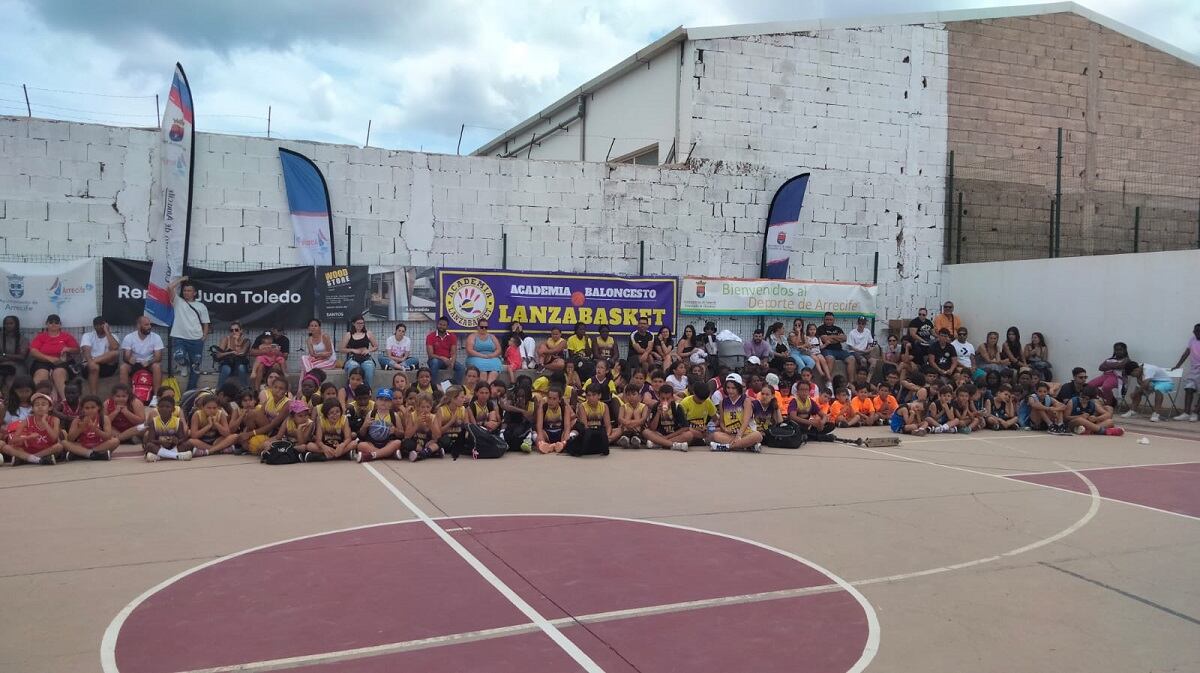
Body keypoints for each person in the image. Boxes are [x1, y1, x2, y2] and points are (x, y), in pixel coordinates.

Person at [167, 277, 210, 391]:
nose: (186, 292)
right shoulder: (178, 301)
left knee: (195, 367)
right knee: (178, 356)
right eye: (185, 290)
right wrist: (181, 280)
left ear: (194, 293)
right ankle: (183, 365)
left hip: (196, 339)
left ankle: (190, 392)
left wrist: (204, 336)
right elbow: (170, 287)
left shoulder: (201, 306)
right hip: (179, 337)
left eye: (189, 290)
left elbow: (206, 323)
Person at [29, 314, 80, 400]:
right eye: (51, 322)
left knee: (58, 373)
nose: (53, 324)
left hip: (62, 362)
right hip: (42, 362)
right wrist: (50, 358)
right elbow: (33, 352)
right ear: (47, 324)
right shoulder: (41, 336)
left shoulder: (66, 336)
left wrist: (68, 349)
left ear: (60, 324)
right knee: (41, 374)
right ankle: (37, 401)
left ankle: (67, 402)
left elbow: (77, 350)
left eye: (56, 322)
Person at [709, 373, 762, 452]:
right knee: (715, 435)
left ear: (739, 388)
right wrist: (725, 429)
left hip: (745, 433)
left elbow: (746, 422)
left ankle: (727, 447)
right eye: (728, 388)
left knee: (758, 436)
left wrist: (739, 436)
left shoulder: (746, 400)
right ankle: (746, 446)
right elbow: (722, 422)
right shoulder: (722, 402)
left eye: (733, 388)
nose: (730, 391)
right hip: (730, 434)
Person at [62, 394, 118, 461]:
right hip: (83, 445)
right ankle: (94, 455)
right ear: (82, 409)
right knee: (64, 443)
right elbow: (70, 439)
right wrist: (80, 429)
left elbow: (108, 437)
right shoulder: (77, 420)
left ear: (98, 407)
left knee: (115, 441)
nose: (90, 410)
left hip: (99, 445)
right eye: (87, 408)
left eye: (93, 407)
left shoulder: (104, 418)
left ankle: (82, 454)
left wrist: (95, 430)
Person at [119, 316, 165, 393]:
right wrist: (129, 359)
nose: (149, 327)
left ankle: (156, 396)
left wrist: (149, 362)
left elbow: (158, 357)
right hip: (134, 363)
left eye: (150, 324)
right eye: (146, 325)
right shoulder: (129, 337)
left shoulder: (156, 337)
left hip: (149, 363)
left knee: (157, 366)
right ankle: (124, 394)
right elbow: (125, 357)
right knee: (123, 367)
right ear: (138, 325)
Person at [76, 316, 119, 395]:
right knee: (94, 366)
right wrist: (90, 362)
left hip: (107, 366)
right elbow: (86, 351)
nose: (100, 326)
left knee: (115, 353)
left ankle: (92, 362)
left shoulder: (113, 336)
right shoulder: (87, 335)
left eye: (102, 324)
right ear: (94, 326)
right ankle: (93, 395)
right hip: (90, 367)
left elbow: (115, 347)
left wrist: (107, 332)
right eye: (97, 325)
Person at [143, 395, 192, 462]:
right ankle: (176, 456)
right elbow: (151, 440)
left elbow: (182, 439)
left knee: (188, 444)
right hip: (159, 446)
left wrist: (177, 441)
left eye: (168, 407)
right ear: (157, 409)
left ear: (173, 409)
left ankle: (159, 457)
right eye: (161, 407)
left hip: (173, 447)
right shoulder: (153, 422)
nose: (164, 409)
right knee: (149, 446)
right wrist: (161, 441)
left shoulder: (178, 422)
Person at [1171, 323, 1200, 422]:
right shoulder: (1192, 339)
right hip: (1194, 369)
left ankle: (1195, 413)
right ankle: (1186, 413)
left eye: (1198, 331)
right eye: (1195, 331)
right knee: (1189, 389)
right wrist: (1178, 365)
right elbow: (1186, 353)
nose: (1196, 333)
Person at [340, 314, 379, 385]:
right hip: (353, 358)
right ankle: (351, 389)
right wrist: (352, 350)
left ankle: (367, 390)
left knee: (369, 367)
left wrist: (368, 350)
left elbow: (376, 346)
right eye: (358, 323)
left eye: (362, 323)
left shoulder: (368, 333)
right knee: (353, 366)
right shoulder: (348, 334)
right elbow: (342, 349)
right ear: (353, 323)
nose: (360, 325)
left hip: (366, 358)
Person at [426, 316, 463, 384]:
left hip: (448, 360)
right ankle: (434, 387)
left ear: (447, 326)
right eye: (440, 324)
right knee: (435, 362)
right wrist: (442, 358)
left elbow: (453, 353)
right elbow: (430, 355)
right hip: (435, 360)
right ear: (437, 324)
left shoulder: (452, 336)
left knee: (461, 368)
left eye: (444, 325)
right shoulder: (430, 336)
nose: (441, 326)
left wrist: (451, 363)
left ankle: (455, 388)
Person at [535, 386, 573, 454]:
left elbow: (567, 427)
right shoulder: (543, 408)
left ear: (559, 399)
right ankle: (544, 445)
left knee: (570, 435)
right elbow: (539, 426)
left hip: (561, 433)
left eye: (554, 399)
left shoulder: (564, 408)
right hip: (547, 433)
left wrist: (566, 438)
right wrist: (540, 438)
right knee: (537, 435)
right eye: (549, 398)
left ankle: (562, 444)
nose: (551, 401)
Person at [464, 319, 503, 384]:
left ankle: (489, 387)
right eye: (482, 327)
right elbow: (469, 350)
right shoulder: (472, 336)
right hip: (476, 357)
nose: (484, 329)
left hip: (491, 358)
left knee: (494, 370)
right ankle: (482, 387)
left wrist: (492, 355)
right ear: (478, 327)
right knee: (483, 372)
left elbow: (499, 349)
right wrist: (483, 356)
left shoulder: (492, 336)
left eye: (486, 327)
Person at [213, 322, 251, 388]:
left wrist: (236, 341)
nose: (234, 332)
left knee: (241, 368)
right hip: (227, 362)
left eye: (236, 330)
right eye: (231, 330)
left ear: (241, 330)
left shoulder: (246, 341)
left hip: (240, 363)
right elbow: (218, 355)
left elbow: (241, 353)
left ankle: (245, 389)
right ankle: (218, 390)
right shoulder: (226, 339)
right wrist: (230, 352)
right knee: (226, 369)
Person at [0, 315, 30, 390]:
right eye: (6, 323)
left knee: (14, 383)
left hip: (17, 365)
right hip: (2, 363)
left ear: (16, 324)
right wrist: (11, 356)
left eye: (11, 323)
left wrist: (4, 354)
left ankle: (12, 400)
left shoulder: (23, 339)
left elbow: (22, 357)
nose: (8, 325)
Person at [845, 317, 877, 383]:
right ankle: (860, 380)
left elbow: (871, 343)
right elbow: (850, 347)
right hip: (855, 352)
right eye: (860, 323)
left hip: (865, 352)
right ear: (857, 323)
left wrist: (869, 349)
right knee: (863, 361)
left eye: (863, 323)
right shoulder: (852, 333)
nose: (861, 325)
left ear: (865, 324)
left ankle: (867, 380)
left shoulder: (867, 331)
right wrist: (861, 351)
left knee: (874, 361)